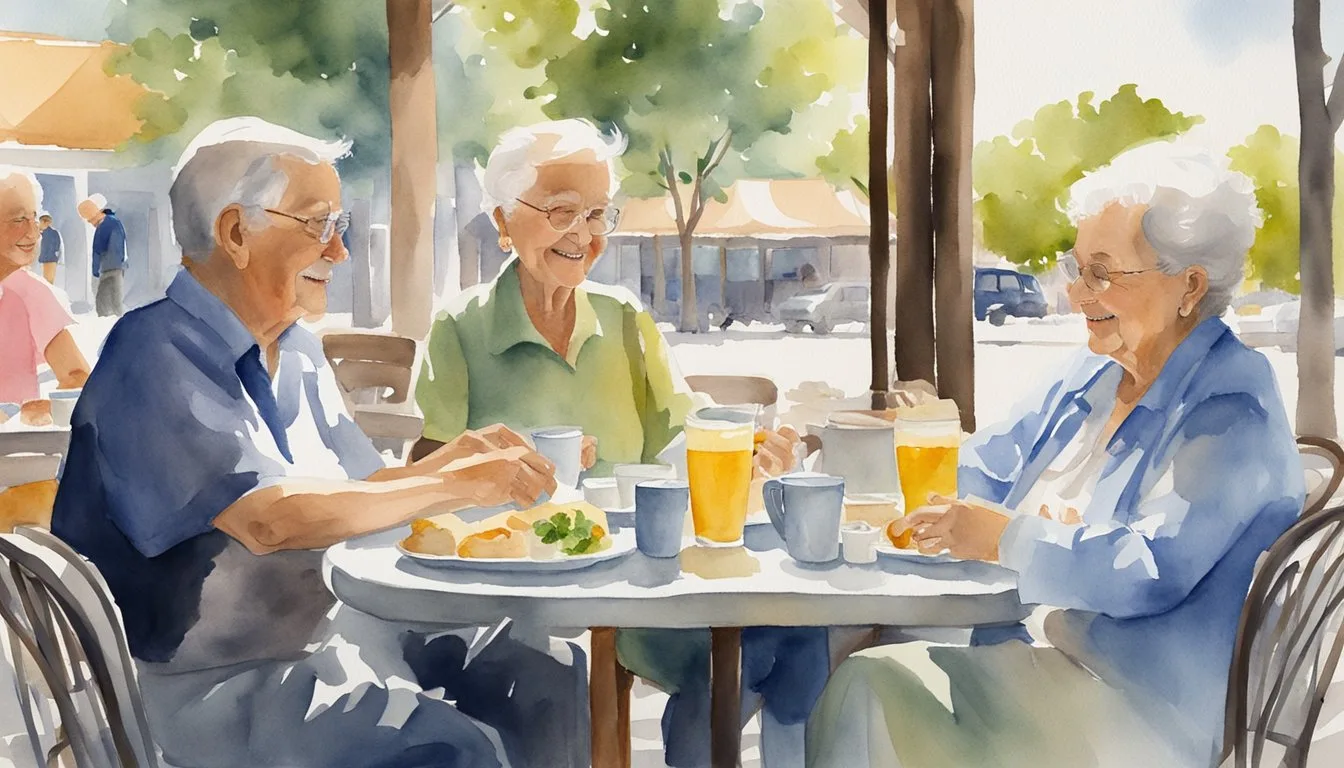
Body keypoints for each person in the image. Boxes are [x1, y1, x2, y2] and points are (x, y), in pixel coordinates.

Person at [51, 117, 590, 768]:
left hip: (329, 643)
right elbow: (270, 519)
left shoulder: (296, 350)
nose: (339, 253)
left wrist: (456, 459)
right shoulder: (153, 354)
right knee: (451, 750)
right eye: (318, 226)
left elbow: (352, 497)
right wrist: (453, 486)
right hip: (198, 692)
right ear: (235, 234)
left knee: (547, 672)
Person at [806, 142, 1306, 768]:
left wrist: (1010, 540)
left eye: (1102, 273)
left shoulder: (1232, 403)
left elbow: (1149, 570)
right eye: (1076, 270)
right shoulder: (1092, 375)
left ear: (1189, 286)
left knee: (867, 685)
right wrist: (835, 467)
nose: (1075, 295)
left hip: (1139, 710)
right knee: (830, 649)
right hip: (1039, 653)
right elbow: (983, 467)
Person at [412, 118, 829, 768]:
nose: (582, 234)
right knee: (557, 685)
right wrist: (509, 462)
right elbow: (423, 477)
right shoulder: (460, 329)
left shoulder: (625, 320)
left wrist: (751, 450)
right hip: (518, 595)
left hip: (639, 588)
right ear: (502, 221)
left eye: (597, 215)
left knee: (793, 642)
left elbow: (687, 435)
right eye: (560, 211)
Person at [0, 169, 89, 413]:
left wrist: (48, 409)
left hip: (16, 446)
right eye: (18, 219)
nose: (33, 232)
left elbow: (77, 375)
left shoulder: (31, 292)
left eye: (34, 217)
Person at [78, 193, 127, 316]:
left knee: (104, 303)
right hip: (116, 266)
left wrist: (95, 271)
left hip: (109, 268)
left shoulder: (105, 225)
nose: (90, 223)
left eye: (90, 219)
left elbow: (98, 250)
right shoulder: (114, 222)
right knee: (115, 301)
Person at [37, 213, 62, 285]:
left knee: (48, 281)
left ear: (46, 222)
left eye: (40, 222)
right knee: (47, 281)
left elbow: (56, 246)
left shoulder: (50, 233)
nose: (39, 225)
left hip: (49, 259)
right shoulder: (46, 233)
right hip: (48, 258)